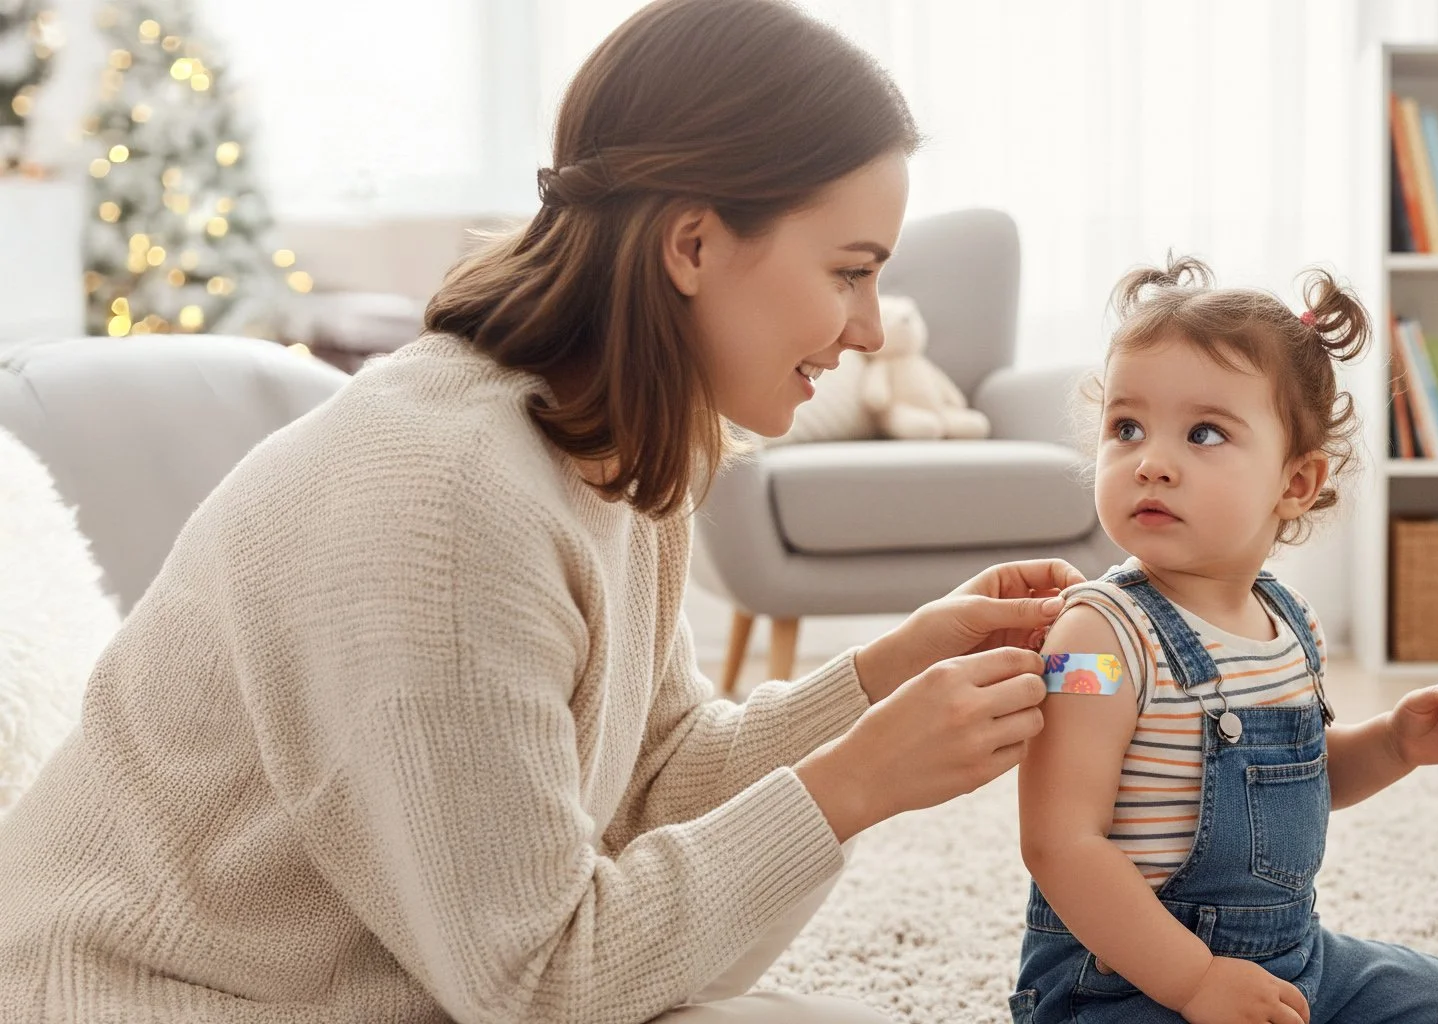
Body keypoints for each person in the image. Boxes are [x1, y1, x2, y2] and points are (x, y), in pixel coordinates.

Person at [0, 2, 1078, 1021]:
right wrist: (857, 781)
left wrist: (883, 676)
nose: (872, 330)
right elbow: (544, 985)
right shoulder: (448, 503)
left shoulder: (611, 441)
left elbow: (646, 782)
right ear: (692, 246)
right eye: (850, 273)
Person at [1011, 257, 1438, 1024]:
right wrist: (1196, 982)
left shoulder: (1291, 623)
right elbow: (1060, 842)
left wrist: (1394, 747)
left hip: (1289, 957)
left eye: (1203, 433)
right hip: (1124, 976)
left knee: (1435, 999)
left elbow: (1294, 785)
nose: (1152, 463)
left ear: (1294, 483)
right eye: (1125, 428)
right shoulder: (1094, 638)